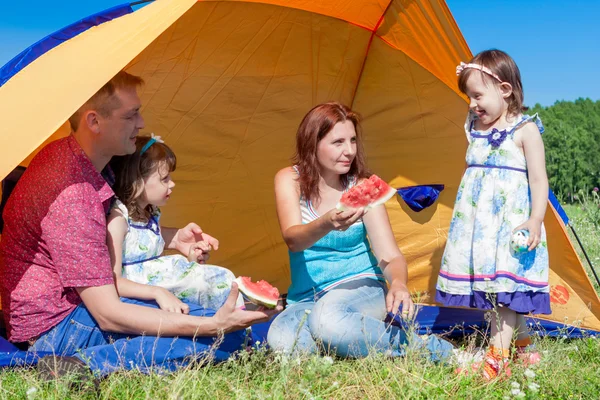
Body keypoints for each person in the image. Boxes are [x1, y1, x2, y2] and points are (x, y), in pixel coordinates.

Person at [0, 71, 280, 377]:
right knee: (226, 336)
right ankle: (83, 366)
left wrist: (172, 239)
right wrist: (212, 326)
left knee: (207, 325)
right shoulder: (72, 193)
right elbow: (108, 314)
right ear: (94, 122)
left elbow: (111, 238)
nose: (142, 123)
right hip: (55, 327)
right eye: (131, 115)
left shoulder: (84, 160)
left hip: (76, 307)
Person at [267, 102, 453, 360]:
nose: (350, 151)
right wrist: (328, 222)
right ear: (312, 143)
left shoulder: (363, 186)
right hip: (306, 297)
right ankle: (347, 348)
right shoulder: (290, 180)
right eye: (338, 142)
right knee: (285, 343)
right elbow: (293, 239)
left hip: (362, 287)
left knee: (328, 321)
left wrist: (398, 283)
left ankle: (435, 351)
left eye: (353, 140)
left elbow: (390, 255)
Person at [436, 49, 550, 379]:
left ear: (504, 90)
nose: (472, 104)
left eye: (477, 95)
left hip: (511, 225)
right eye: (468, 97)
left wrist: (536, 220)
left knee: (506, 292)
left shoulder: (525, 130)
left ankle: (496, 358)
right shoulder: (473, 127)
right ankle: (524, 347)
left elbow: (539, 179)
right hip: (477, 226)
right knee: (494, 290)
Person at [107, 134, 244, 312]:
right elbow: (112, 281)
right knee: (216, 281)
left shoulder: (150, 213)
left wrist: (179, 239)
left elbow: (142, 239)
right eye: (164, 179)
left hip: (162, 289)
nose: (172, 184)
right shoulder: (118, 221)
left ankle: (239, 328)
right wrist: (157, 292)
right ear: (137, 180)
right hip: (143, 298)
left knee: (222, 277)